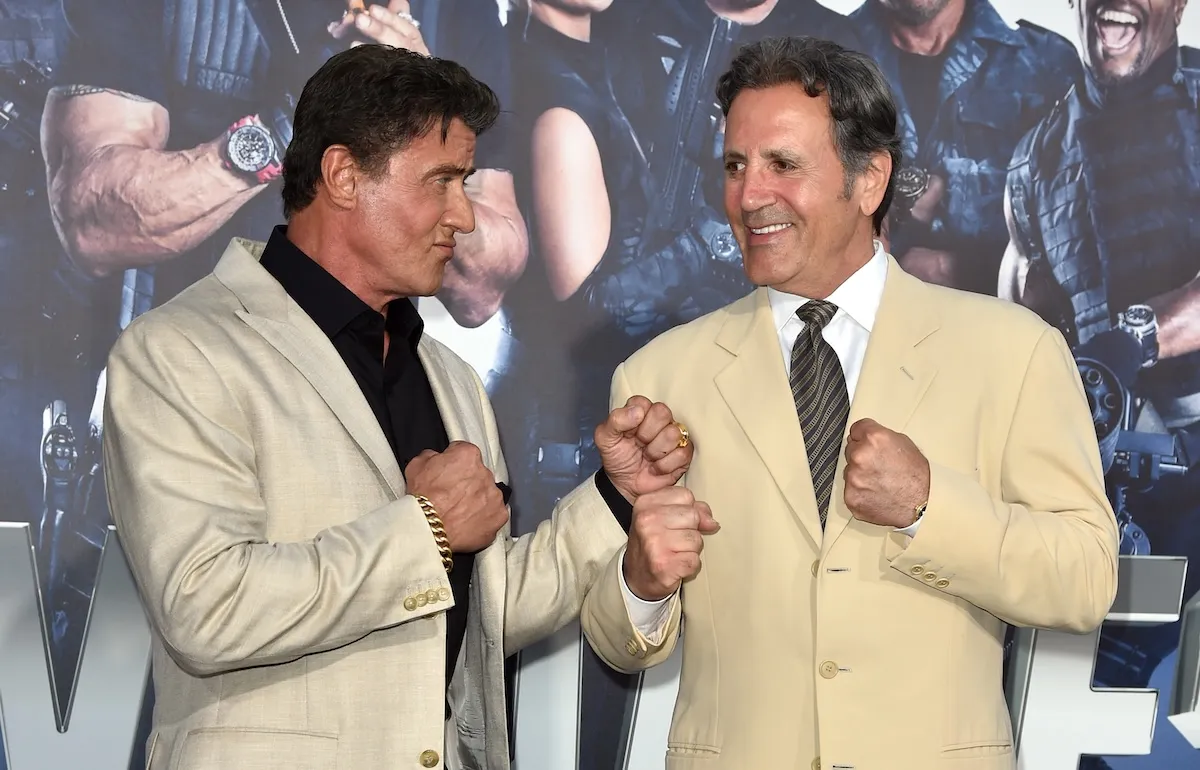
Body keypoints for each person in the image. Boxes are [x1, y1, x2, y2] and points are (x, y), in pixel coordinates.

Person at [100, 45, 699, 770]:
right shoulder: (180, 352)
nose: (465, 216)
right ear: (344, 176)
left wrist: (614, 495)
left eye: (467, 183)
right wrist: (428, 529)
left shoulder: (446, 375)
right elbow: (206, 605)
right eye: (442, 182)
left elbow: (486, 614)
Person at [581, 36, 1119, 770]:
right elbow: (615, 636)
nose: (748, 195)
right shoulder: (658, 377)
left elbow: (1085, 578)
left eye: (783, 165)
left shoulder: (1013, 351)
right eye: (735, 166)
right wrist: (641, 581)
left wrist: (930, 506)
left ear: (870, 181)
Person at [999, 0, 1200, 756]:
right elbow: (1020, 327)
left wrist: (1133, 340)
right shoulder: (1036, 157)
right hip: (1106, 494)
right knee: (1074, 725)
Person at [848, 0, 1081, 295]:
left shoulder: (1047, 64)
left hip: (1004, 328)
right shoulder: (824, 59)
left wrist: (961, 270)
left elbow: (1082, 241)